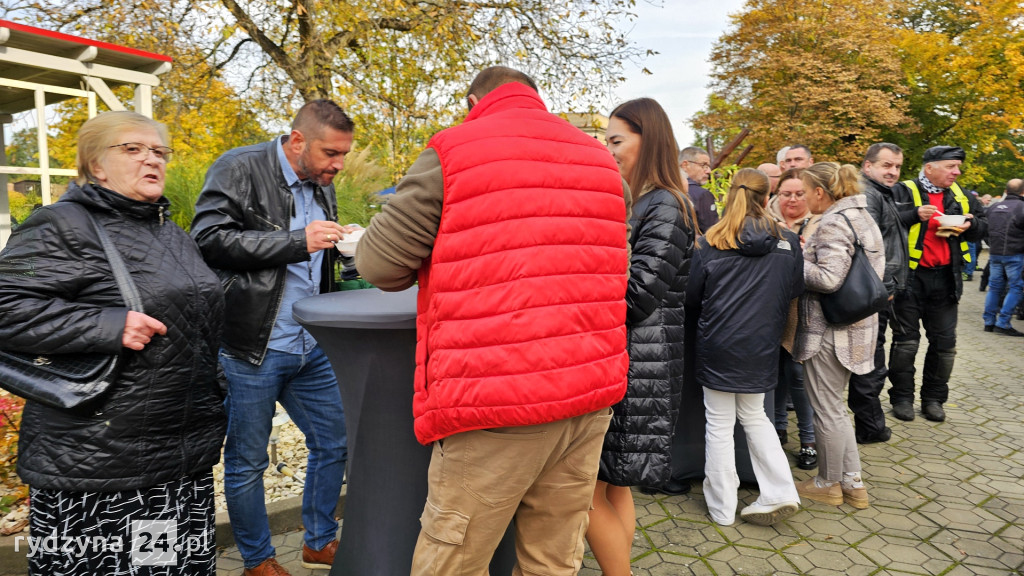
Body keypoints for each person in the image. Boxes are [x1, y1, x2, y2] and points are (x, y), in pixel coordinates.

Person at [354, 66, 629, 575]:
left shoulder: (453, 151)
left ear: (472, 100)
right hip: (588, 397)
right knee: (553, 558)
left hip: (497, 401)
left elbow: (376, 264)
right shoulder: (600, 158)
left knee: (451, 561)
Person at [0, 111, 225, 575]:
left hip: (171, 462)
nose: (152, 160)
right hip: (97, 466)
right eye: (133, 149)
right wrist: (106, 325)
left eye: (159, 151)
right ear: (96, 165)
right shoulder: (60, 225)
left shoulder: (169, 232)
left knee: (161, 568)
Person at [191, 99, 353, 576]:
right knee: (247, 462)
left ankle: (317, 542)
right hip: (250, 347)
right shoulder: (238, 167)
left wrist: (348, 249)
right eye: (330, 154)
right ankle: (258, 560)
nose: (338, 165)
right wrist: (298, 240)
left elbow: (318, 260)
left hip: (311, 346)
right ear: (297, 140)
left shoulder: (323, 183)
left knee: (335, 442)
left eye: (343, 155)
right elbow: (208, 239)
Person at [591, 98, 696, 575]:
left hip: (636, 366)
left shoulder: (664, 205)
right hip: (642, 363)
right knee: (615, 484)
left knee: (580, 486)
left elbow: (638, 297)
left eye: (617, 141)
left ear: (647, 139)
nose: (607, 150)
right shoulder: (647, 201)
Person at [686, 168, 803, 527]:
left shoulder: (709, 241)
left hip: (718, 344)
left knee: (719, 425)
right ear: (767, 197)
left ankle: (722, 508)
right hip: (761, 344)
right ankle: (780, 491)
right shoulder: (787, 241)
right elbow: (795, 290)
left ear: (728, 196)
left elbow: (692, 296)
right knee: (756, 417)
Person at [793, 162, 885, 510]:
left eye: (804, 192)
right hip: (857, 327)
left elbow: (829, 279)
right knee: (836, 409)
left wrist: (792, 260)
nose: (802, 199)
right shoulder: (861, 216)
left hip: (831, 331)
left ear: (820, 192)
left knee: (827, 410)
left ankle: (827, 483)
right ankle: (853, 484)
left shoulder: (832, 221)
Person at [888, 146, 988, 422]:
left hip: (945, 279)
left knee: (945, 345)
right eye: (951, 166)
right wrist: (913, 215)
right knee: (906, 343)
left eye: (958, 167)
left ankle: (933, 399)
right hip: (908, 279)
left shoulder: (961, 196)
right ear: (930, 167)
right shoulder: (902, 191)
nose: (957, 172)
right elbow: (881, 223)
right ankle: (902, 399)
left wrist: (970, 225)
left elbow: (986, 225)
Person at [848, 143, 908, 444]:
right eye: (887, 165)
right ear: (868, 166)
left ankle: (869, 424)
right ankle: (869, 427)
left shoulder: (880, 193)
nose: (893, 172)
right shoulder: (868, 194)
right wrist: (882, 289)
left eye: (897, 167)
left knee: (871, 357)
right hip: (874, 292)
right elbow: (866, 247)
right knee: (870, 359)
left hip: (880, 289)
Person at [767, 168, 819, 470]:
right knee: (772, 373)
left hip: (805, 313)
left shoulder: (819, 223)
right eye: (786, 193)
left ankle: (809, 441)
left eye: (800, 193)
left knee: (798, 378)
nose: (793, 199)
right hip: (770, 311)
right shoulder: (765, 221)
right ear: (777, 194)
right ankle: (776, 430)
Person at [982, 178, 1024, 335]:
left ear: (1006, 190)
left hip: (995, 254)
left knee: (994, 288)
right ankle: (1003, 323)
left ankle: (989, 321)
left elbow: (984, 230)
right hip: (1015, 254)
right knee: (1016, 287)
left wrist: (992, 244)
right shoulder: (1021, 207)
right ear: (1022, 192)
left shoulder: (994, 207)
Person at [680, 145, 719, 233]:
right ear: (685, 165)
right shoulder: (702, 195)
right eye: (703, 165)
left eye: (708, 166)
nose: (708, 171)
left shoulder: (665, 190)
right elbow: (711, 231)